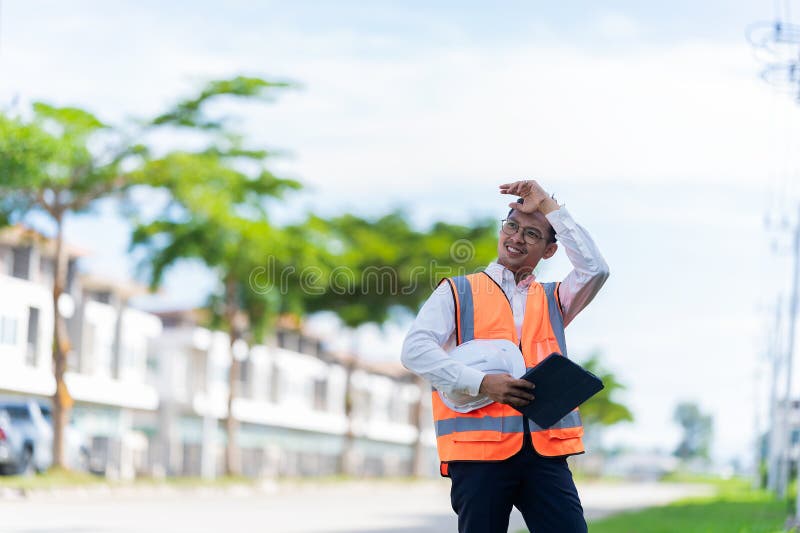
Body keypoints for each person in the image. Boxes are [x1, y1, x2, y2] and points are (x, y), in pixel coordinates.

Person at [400, 180, 609, 533]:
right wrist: (482, 383)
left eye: (532, 233)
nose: (516, 238)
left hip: (544, 453)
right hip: (479, 456)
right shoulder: (458, 291)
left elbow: (595, 269)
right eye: (511, 226)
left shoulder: (555, 299)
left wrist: (550, 207)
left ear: (549, 250)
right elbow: (414, 351)